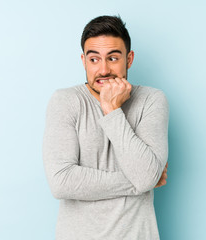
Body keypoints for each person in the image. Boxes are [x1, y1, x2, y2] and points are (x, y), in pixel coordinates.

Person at [43, 15, 169, 240]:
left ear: (129, 59)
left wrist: (112, 110)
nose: (103, 70)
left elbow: (146, 176)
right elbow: (61, 181)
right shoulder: (65, 101)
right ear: (83, 61)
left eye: (112, 58)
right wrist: (141, 182)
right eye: (94, 59)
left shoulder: (152, 100)